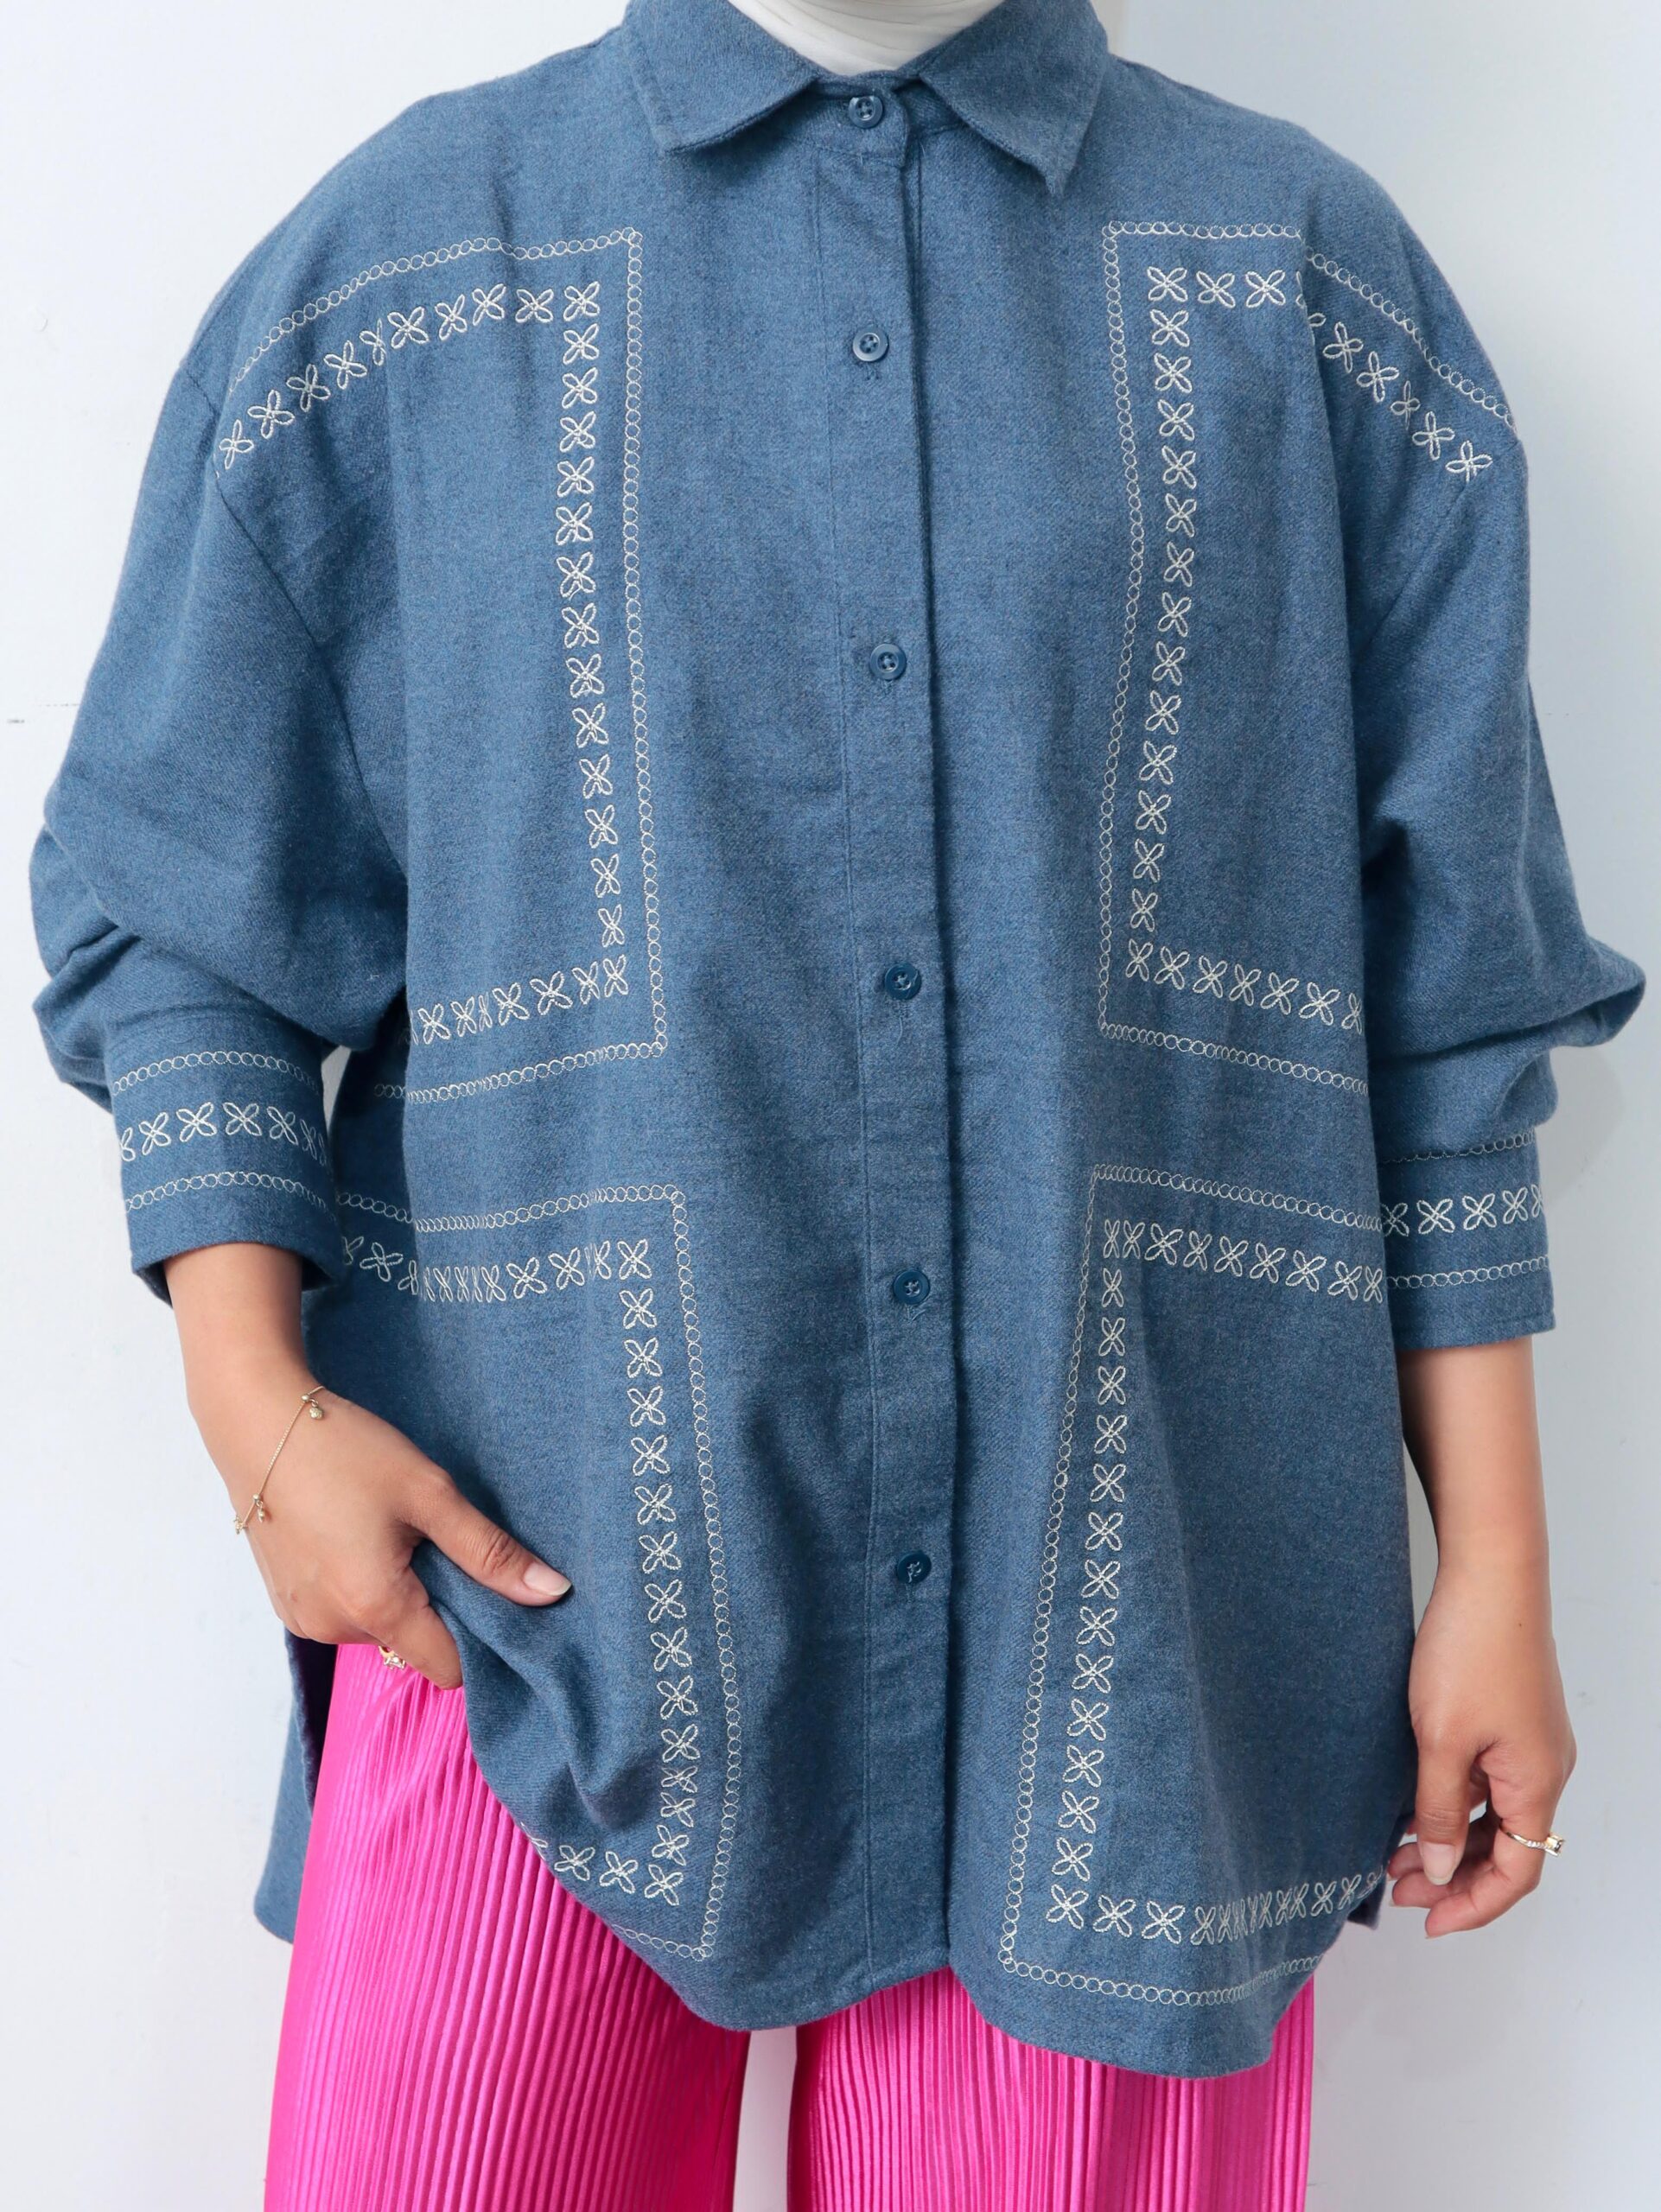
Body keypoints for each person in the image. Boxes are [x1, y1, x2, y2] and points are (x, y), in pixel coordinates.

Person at [28, 0, 1643, 2203]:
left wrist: (1500, 1564)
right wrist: (255, 1406)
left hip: (1127, 1637)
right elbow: (179, 900)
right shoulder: (412, 264)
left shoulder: (1302, 280)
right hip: (519, 1587)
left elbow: (1445, 1004)